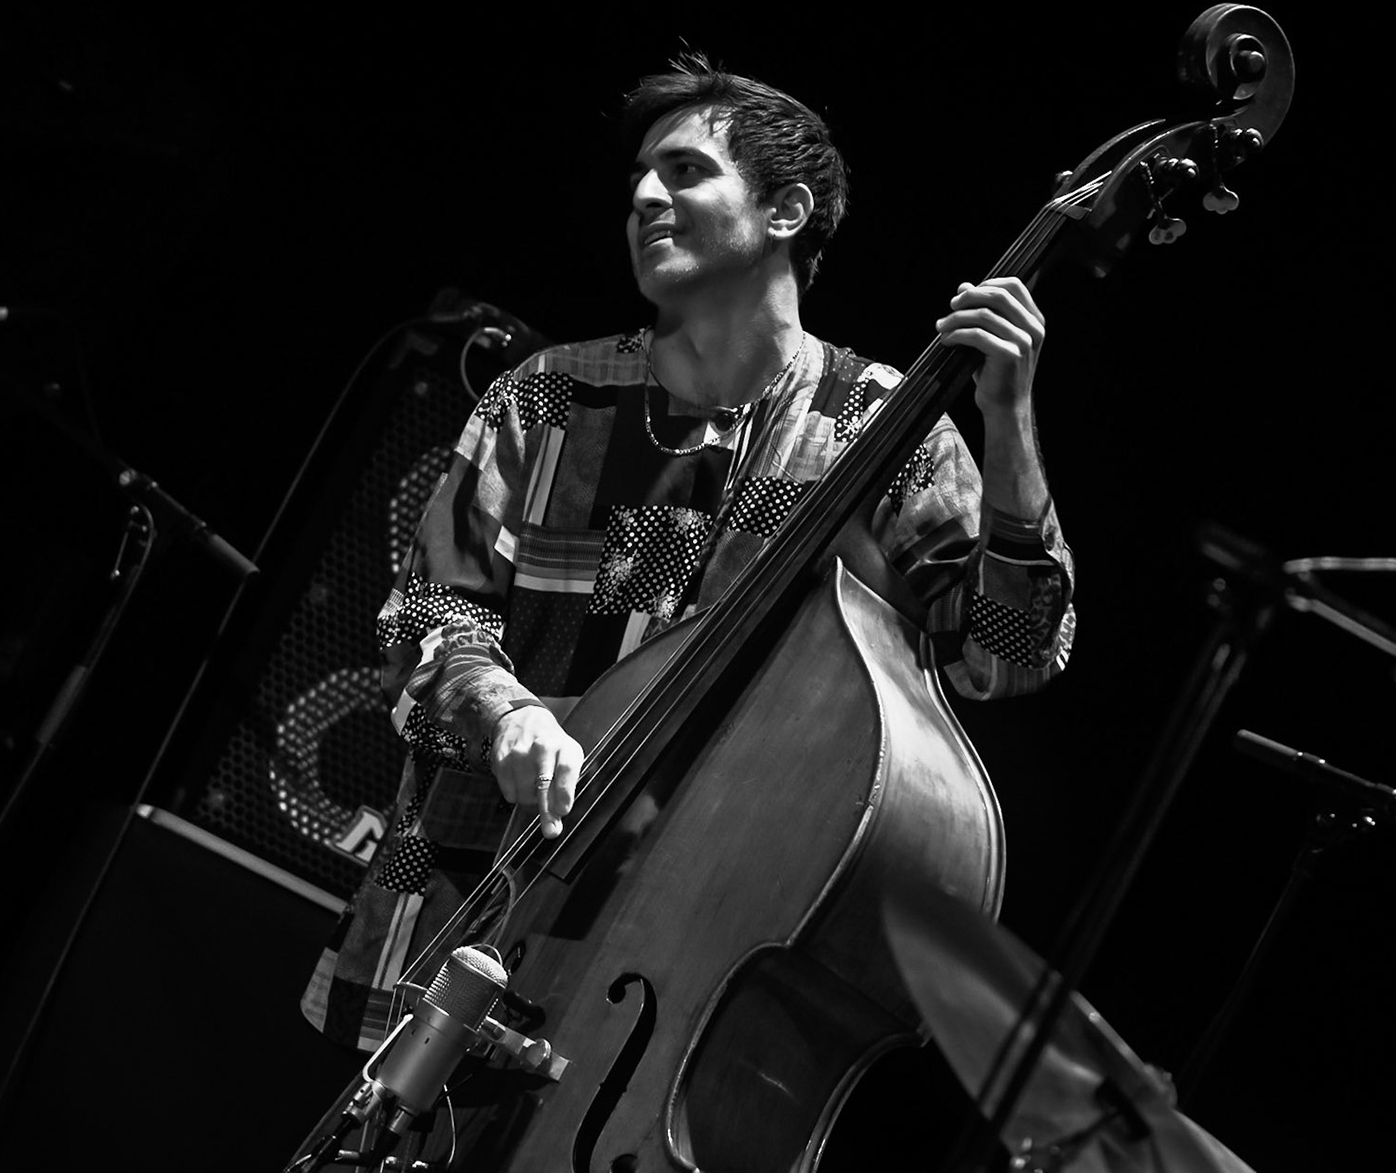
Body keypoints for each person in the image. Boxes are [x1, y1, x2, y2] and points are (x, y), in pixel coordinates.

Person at [301, 53, 1075, 1049]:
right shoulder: (546, 396)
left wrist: (1009, 421)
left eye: (683, 171)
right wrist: (508, 718)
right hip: (449, 908)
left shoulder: (884, 428)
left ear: (787, 211)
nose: (644, 195)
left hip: (669, 958)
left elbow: (1004, 655)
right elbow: (423, 619)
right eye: (637, 178)